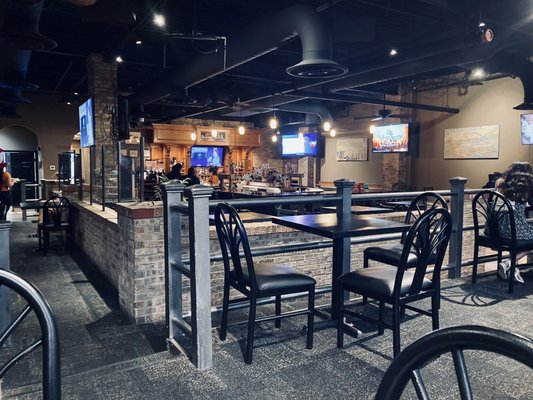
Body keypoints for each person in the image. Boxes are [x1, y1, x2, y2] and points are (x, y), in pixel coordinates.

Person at [496, 161, 533, 283]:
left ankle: (512, 268)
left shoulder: (500, 182)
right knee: (530, 239)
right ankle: (509, 263)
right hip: (514, 229)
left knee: (526, 236)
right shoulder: (525, 187)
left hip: (495, 228)